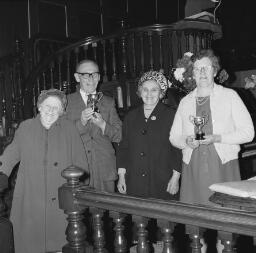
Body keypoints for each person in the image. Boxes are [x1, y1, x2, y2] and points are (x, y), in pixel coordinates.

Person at [169, 49, 254, 252]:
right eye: (198, 69)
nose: (203, 73)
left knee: (225, 225)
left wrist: (218, 138)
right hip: (194, 167)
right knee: (196, 225)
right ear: (192, 73)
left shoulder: (230, 96)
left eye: (207, 68)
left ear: (215, 71)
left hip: (222, 165)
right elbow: (174, 137)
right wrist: (187, 141)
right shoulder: (185, 101)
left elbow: (248, 133)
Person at [0, 89, 89, 253]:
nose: (51, 111)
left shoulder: (69, 129)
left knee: (62, 242)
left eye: (56, 108)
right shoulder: (26, 127)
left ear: (62, 112)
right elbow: (12, 153)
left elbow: (80, 161)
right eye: (47, 106)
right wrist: (1, 174)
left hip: (61, 199)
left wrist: (81, 190)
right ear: (39, 106)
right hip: (30, 198)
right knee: (29, 244)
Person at [117, 70, 182, 200]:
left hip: (163, 181)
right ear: (140, 92)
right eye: (145, 89)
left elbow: (178, 149)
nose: (149, 94)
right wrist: (121, 177)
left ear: (161, 92)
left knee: (164, 218)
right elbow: (124, 148)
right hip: (134, 182)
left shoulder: (171, 115)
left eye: (154, 90)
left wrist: (176, 177)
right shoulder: (131, 116)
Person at [66, 59, 122, 192]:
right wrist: (82, 123)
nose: (91, 79)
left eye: (95, 74)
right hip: (78, 169)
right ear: (77, 77)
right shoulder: (66, 102)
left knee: (106, 209)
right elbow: (63, 137)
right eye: (86, 74)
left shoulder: (108, 102)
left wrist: (103, 125)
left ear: (99, 77)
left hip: (104, 168)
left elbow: (119, 136)